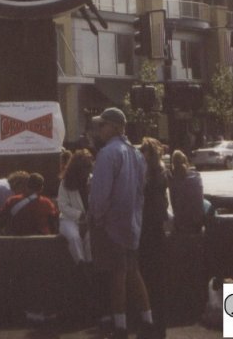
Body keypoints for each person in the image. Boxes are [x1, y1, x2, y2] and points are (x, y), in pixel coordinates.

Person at [88, 107, 155, 339]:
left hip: (111, 224)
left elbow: (99, 195)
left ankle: (120, 327)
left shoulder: (108, 153)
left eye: (103, 125)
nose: (99, 129)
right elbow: (140, 190)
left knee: (117, 275)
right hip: (132, 223)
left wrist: (96, 217)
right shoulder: (136, 154)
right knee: (133, 272)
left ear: (115, 126)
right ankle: (147, 321)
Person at [139, 138, 169, 339]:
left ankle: (149, 319)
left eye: (143, 151)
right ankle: (158, 320)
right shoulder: (162, 171)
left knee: (147, 272)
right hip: (156, 226)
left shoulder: (149, 175)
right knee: (157, 272)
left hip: (146, 226)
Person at [57, 149, 93, 264]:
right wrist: (80, 215)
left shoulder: (93, 180)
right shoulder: (65, 182)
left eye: (90, 166)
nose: (89, 169)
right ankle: (80, 264)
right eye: (86, 167)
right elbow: (62, 205)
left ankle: (90, 264)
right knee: (74, 238)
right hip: (69, 220)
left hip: (90, 220)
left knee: (90, 239)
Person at [168, 149, 204, 234]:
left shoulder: (173, 181)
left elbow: (174, 205)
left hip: (181, 222)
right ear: (186, 162)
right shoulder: (196, 178)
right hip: (196, 221)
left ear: (173, 164)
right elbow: (200, 200)